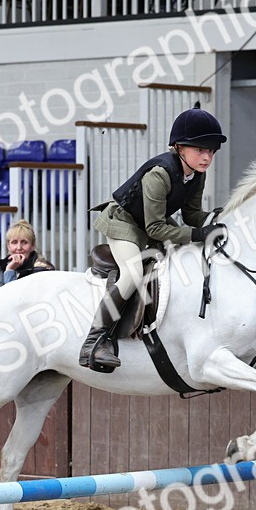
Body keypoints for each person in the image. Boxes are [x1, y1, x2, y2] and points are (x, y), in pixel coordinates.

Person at [78, 105, 228, 371]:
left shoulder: (197, 174)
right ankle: (95, 341)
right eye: (200, 150)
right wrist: (197, 234)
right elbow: (157, 228)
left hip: (149, 225)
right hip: (124, 223)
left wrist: (218, 219)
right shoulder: (159, 174)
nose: (207, 157)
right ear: (179, 148)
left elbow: (192, 215)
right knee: (133, 273)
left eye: (211, 151)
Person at [0, 219, 55, 302]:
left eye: (24, 242)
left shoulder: (42, 269)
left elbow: (16, 300)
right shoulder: (4, 266)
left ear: (32, 245)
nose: (19, 248)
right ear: (8, 246)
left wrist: (10, 271)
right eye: (14, 242)